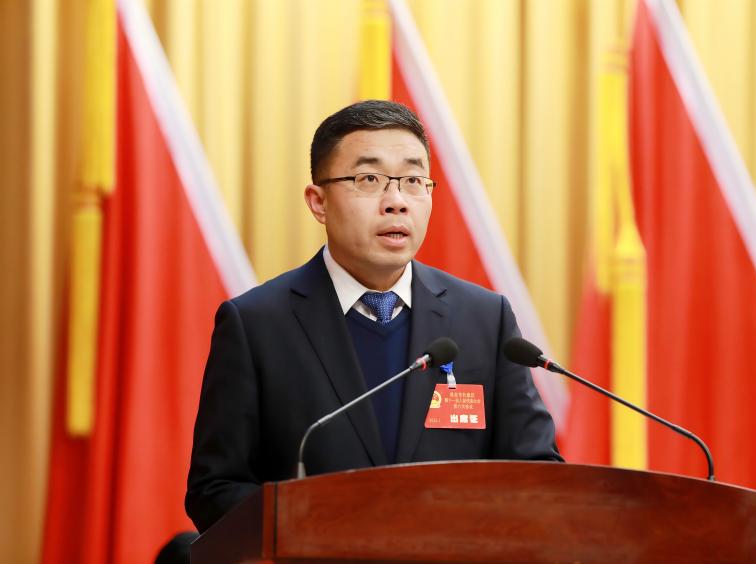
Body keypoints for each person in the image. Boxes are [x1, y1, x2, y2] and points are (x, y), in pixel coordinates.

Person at [186, 100, 562, 533]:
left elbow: (537, 474)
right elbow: (215, 489)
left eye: (413, 180)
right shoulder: (256, 324)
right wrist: (321, 530)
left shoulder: (484, 319)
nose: (396, 202)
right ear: (319, 202)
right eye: (369, 179)